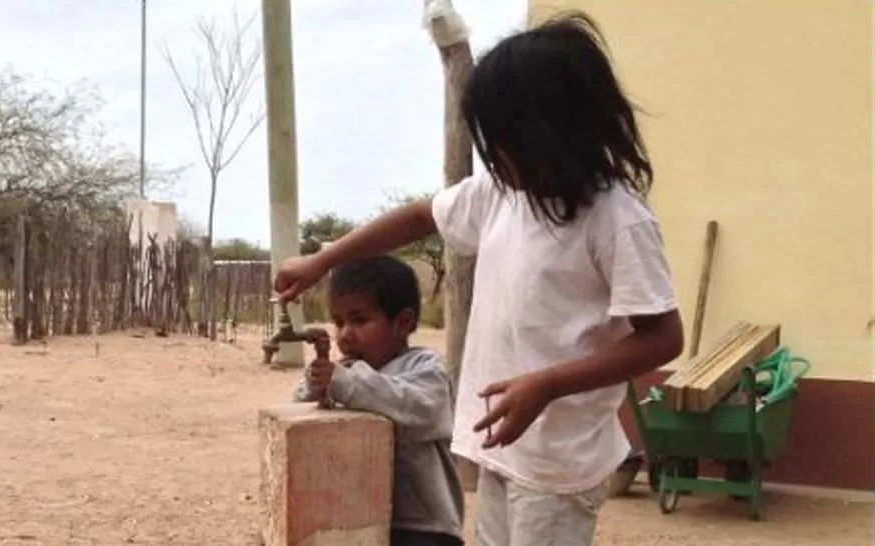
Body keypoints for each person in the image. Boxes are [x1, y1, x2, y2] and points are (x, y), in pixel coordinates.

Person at [277, 11, 684, 546]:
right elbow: (422, 216)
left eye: (507, 142)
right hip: (498, 440)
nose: (498, 158)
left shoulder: (616, 219)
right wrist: (325, 259)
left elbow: (662, 338)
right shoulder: (501, 194)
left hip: (557, 460)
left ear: (556, 132)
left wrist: (548, 384)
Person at [292, 255, 465, 546]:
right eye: (338, 322)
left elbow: (420, 411)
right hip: (361, 514)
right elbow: (299, 413)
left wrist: (344, 383)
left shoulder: (424, 367)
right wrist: (313, 385)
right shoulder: (347, 372)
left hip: (421, 525)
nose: (345, 334)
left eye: (359, 320)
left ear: (403, 323)